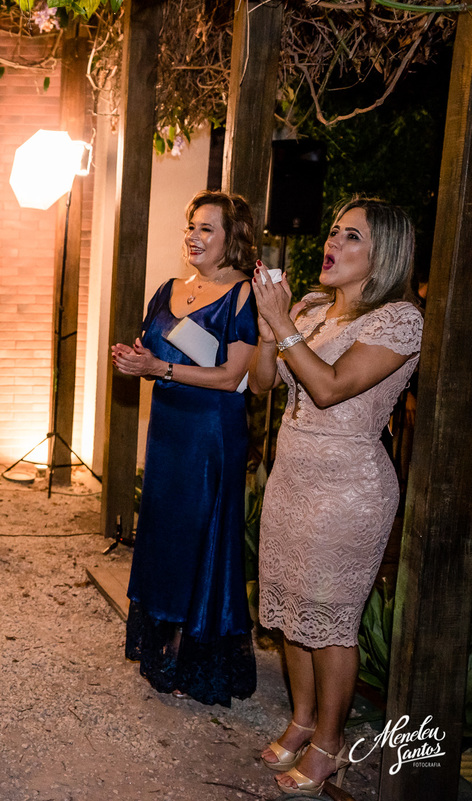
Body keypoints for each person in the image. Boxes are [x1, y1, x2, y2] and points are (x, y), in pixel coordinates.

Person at [248, 198, 422, 796]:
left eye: (352, 237)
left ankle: (329, 743)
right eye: (333, 231)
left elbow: (329, 388)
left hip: (349, 489)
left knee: (329, 621)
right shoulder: (313, 308)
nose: (332, 243)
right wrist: (270, 331)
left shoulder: (399, 321)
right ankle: (301, 720)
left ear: (384, 254)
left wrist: (284, 326)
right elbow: (265, 383)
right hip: (291, 480)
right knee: (292, 613)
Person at [110, 190, 259, 706]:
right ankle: (162, 643)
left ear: (231, 238)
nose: (193, 237)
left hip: (211, 434)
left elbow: (233, 376)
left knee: (200, 534)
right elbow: (152, 350)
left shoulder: (242, 295)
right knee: (165, 532)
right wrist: (136, 359)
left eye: (206, 229)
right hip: (168, 430)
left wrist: (160, 368)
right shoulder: (169, 289)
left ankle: (194, 653)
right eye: (190, 226)